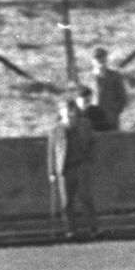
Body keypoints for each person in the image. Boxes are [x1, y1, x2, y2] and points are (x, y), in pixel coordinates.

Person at [47, 98, 98, 240]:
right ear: (61, 111)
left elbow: (93, 142)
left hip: (81, 165)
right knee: (66, 202)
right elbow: (51, 152)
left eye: (72, 110)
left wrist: (89, 159)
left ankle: (93, 228)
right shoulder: (55, 130)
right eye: (66, 110)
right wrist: (51, 171)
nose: (69, 113)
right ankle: (70, 230)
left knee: (85, 198)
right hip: (64, 169)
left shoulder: (85, 124)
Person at [90, 47, 128, 131]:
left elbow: (122, 98)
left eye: (103, 57)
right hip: (93, 120)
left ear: (106, 59)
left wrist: (113, 112)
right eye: (97, 58)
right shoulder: (88, 78)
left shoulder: (115, 76)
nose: (100, 60)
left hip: (110, 120)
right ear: (92, 61)